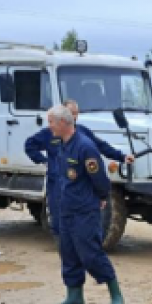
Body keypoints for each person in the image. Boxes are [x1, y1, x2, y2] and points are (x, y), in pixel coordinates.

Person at [47, 105, 125, 304]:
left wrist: (102, 197)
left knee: (90, 252)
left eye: (51, 122)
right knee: (68, 252)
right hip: (66, 208)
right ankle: (74, 296)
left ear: (63, 123)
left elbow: (99, 178)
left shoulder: (85, 146)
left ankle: (115, 292)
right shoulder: (61, 144)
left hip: (84, 209)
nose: (49, 127)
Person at [25, 100, 132, 234]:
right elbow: (29, 145)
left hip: (75, 186)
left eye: (76, 113)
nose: (74, 116)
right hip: (56, 184)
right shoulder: (50, 133)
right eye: (71, 113)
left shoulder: (83, 133)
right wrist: (43, 160)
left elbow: (101, 146)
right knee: (58, 224)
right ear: (63, 115)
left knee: (80, 226)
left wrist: (121, 156)